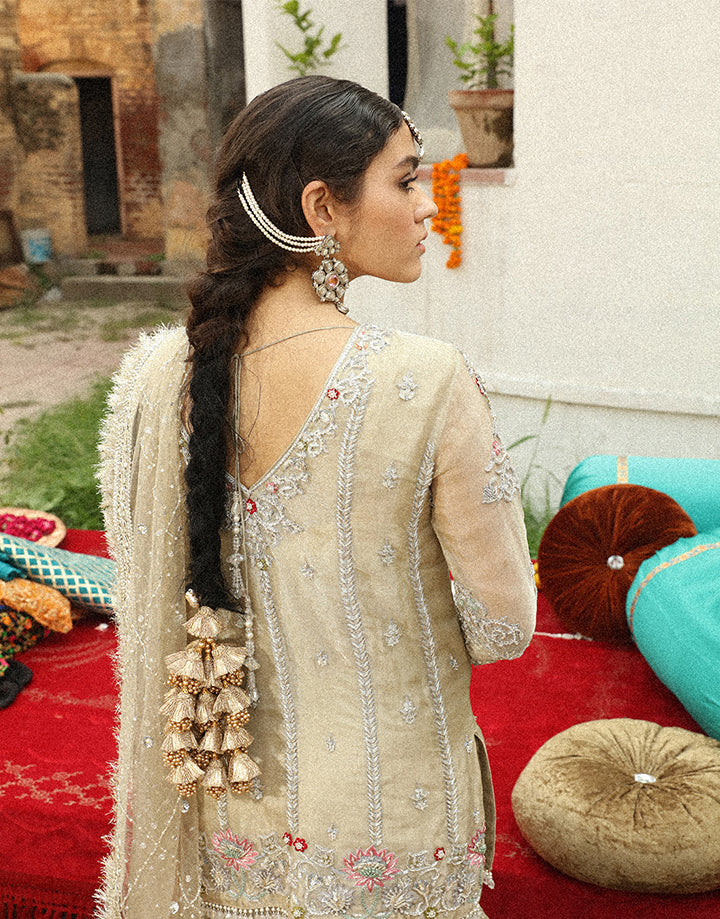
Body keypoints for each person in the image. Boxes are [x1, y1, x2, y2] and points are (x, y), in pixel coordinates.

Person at [97, 75, 536, 919]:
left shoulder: (160, 376)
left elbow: (152, 589)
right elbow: (503, 626)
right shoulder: (424, 380)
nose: (427, 206)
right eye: (406, 181)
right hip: (390, 833)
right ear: (322, 207)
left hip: (229, 825)